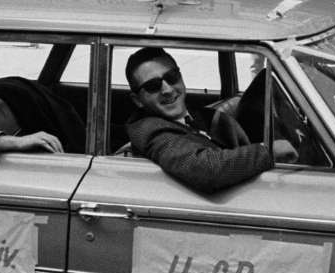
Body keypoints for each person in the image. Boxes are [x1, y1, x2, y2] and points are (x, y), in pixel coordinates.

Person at [124, 47, 294, 193]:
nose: (167, 89)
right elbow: (205, 169)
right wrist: (268, 152)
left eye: (172, 76)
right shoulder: (150, 131)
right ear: (137, 100)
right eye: (153, 86)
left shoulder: (198, 116)